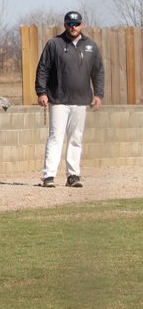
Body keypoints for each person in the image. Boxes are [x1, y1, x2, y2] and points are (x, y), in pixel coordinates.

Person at [35, 10, 104, 188]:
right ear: (65, 25)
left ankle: (73, 176)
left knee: (76, 138)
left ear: (82, 25)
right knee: (55, 137)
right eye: (70, 24)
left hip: (81, 101)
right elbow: (43, 69)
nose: (73, 27)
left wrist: (98, 94)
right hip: (58, 99)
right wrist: (41, 92)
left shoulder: (91, 46)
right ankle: (48, 176)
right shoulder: (54, 44)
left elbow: (98, 72)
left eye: (76, 24)